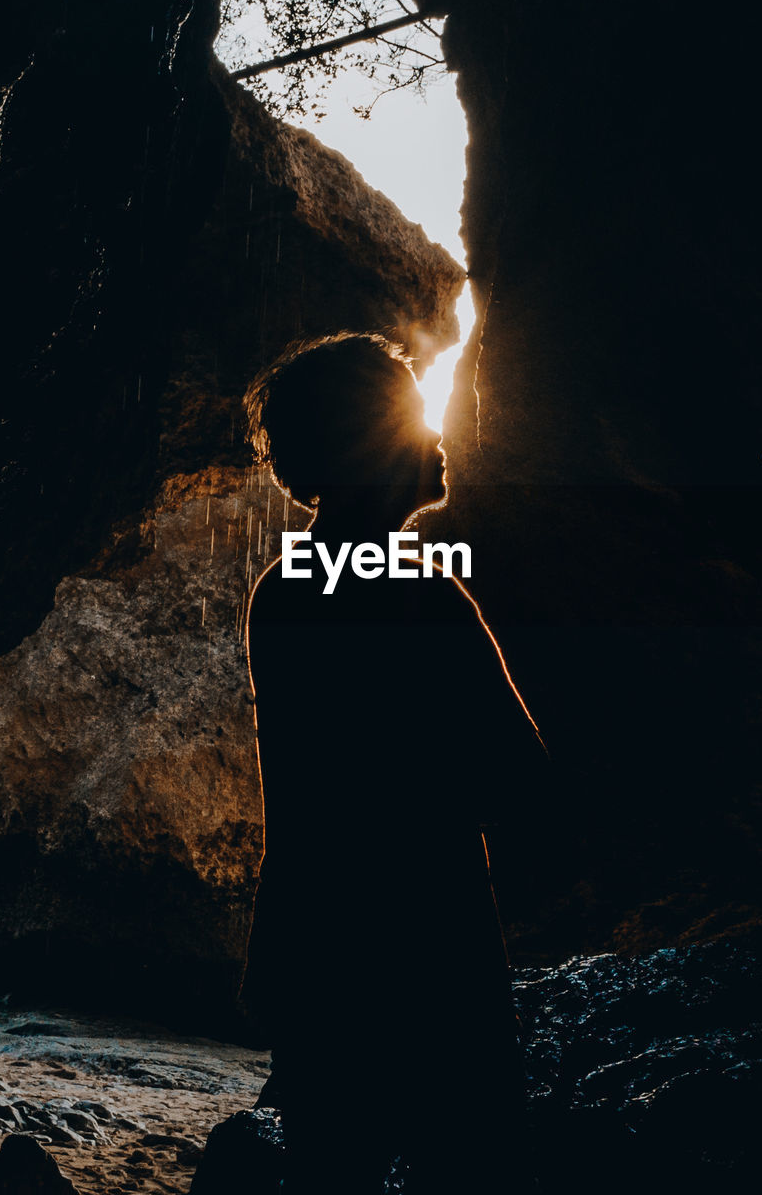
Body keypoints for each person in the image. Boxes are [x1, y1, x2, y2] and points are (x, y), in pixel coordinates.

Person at [242, 332, 548, 1193]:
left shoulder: (281, 592)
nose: (438, 431)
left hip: (318, 950)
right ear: (363, 448)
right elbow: (520, 777)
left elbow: (304, 803)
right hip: (435, 952)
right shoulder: (424, 596)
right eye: (414, 415)